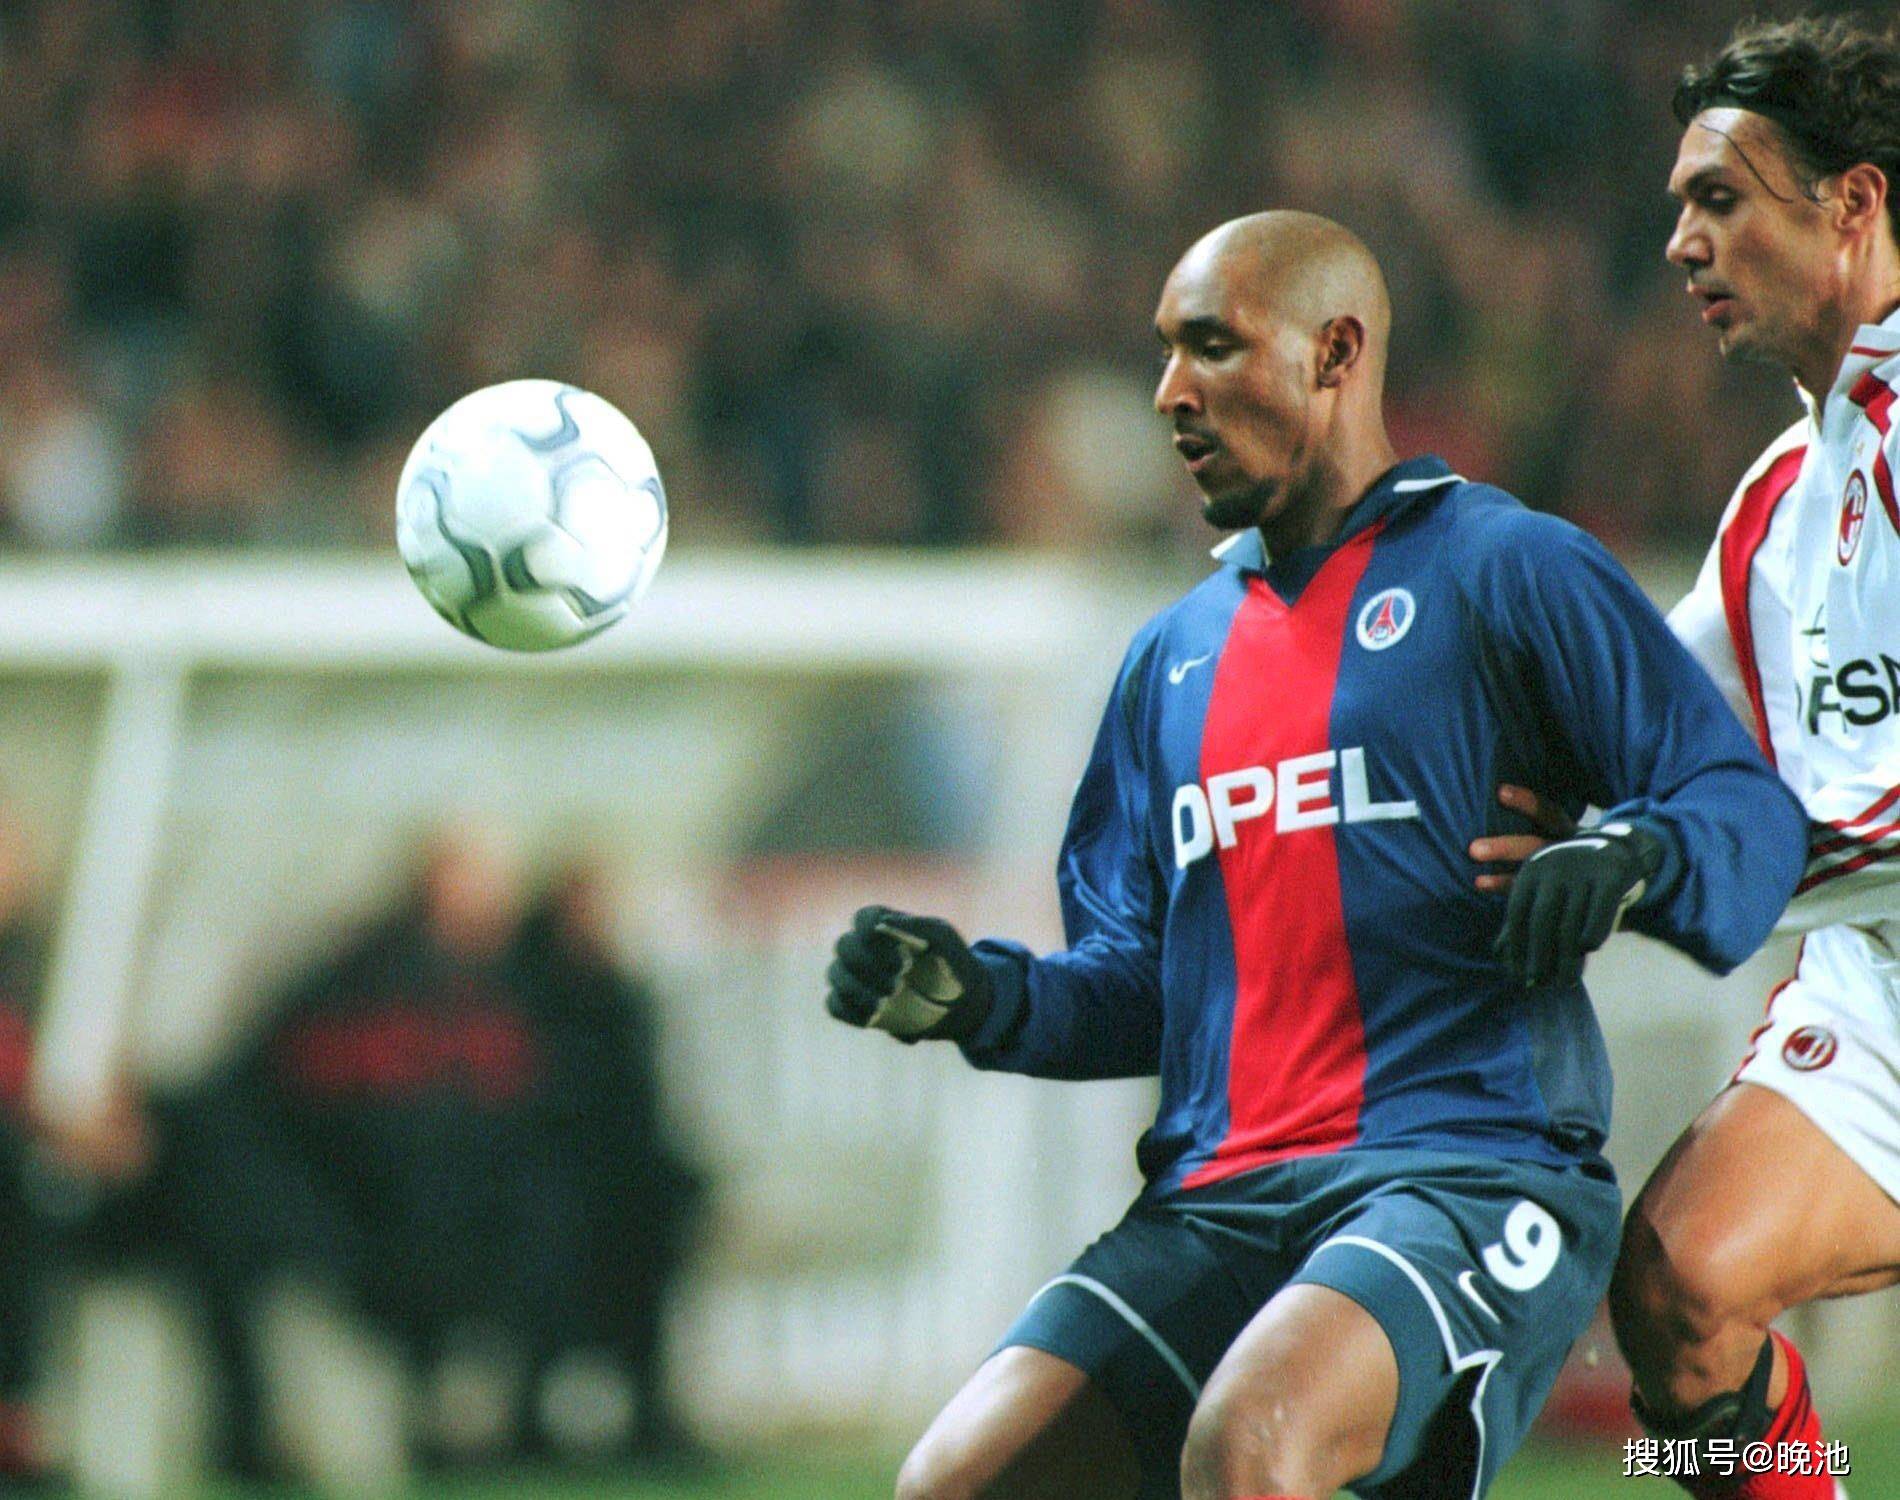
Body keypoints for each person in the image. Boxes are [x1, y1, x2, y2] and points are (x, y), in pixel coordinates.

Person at [824, 210, 1808, 1500]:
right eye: (1165, 354)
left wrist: (1632, 854)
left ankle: (1788, 1463)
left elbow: (1739, 805)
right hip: (1217, 1205)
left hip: (1461, 1174)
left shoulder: (1507, 568)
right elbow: (1147, 986)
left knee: (1253, 1445)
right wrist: (981, 998)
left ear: (1335, 353)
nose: (1170, 393)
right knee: (954, 1483)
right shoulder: (1166, 661)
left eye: (1212, 347)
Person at [1565, 17, 1900, 1500]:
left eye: (1721, 200)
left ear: (1853, 202)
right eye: (1679, 208)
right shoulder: (1780, 496)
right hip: (1882, 981)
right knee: (1677, 1291)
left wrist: (1674, 863)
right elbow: (1631, 723)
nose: (1683, 244)